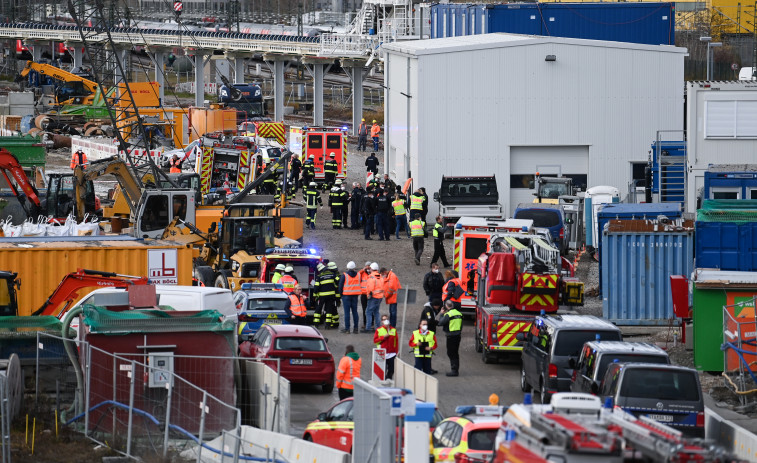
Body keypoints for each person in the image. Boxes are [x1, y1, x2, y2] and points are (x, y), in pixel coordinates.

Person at [437, 299, 463, 377]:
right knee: (455, 353)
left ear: (446, 306)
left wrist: (441, 314)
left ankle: (454, 370)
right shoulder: (459, 313)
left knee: (451, 353)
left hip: (451, 336)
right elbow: (461, 325)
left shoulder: (448, 314)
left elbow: (440, 322)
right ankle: (455, 369)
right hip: (458, 336)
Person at [315, 262, 340, 329]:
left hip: (322, 296)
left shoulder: (319, 276)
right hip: (331, 295)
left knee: (319, 309)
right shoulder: (332, 275)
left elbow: (316, 287)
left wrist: (315, 295)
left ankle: (316, 324)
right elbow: (338, 281)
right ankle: (327, 325)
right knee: (329, 309)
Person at [338, 261, 361, 333]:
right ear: (354, 267)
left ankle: (347, 329)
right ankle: (356, 329)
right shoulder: (359, 275)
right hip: (355, 296)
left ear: (347, 267)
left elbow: (340, 287)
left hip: (346, 296)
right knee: (355, 312)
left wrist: (341, 295)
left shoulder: (344, 275)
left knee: (347, 313)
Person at [374, 314, 398, 380]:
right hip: (382, 353)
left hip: (392, 353)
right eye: (384, 319)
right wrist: (383, 337)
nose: (386, 321)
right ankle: (383, 381)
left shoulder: (393, 330)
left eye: (387, 319)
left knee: (392, 370)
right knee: (382, 370)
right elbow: (375, 341)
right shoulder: (379, 330)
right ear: (382, 321)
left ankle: (388, 379)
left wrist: (396, 352)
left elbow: (396, 342)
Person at [363, 262, 383, 333]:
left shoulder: (372, 277)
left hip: (373, 297)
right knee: (376, 312)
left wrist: (368, 295)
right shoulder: (380, 276)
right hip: (380, 297)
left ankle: (368, 328)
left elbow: (370, 288)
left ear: (372, 269)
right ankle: (378, 327)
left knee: (368, 312)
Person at [359, 261, 372, 330]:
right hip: (363, 294)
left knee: (371, 309)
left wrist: (371, 270)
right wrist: (363, 269)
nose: (368, 268)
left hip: (371, 294)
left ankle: (371, 323)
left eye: (369, 266)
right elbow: (357, 275)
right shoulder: (362, 273)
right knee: (364, 309)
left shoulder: (373, 273)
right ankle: (365, 323)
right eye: (367, 266)